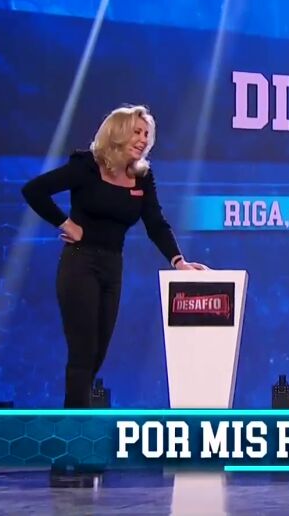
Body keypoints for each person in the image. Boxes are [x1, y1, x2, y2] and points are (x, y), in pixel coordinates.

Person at [22, 105, 208, 408]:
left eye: (146, 134)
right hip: (80, 262)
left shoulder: (142, 176)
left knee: (98, 351)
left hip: (112, 266)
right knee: (83, 351)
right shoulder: (88, 166)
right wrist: (66, 224)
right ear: (118, 132)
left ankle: (74, 418)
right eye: (137, 132)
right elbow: (34, 190)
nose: (143, 139)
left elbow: (155, 223)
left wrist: (178, 261)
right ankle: (75, 430)